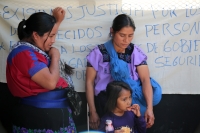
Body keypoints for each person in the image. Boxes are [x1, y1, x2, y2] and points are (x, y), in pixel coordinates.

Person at [6, 7, 77, 132]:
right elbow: (50, 83)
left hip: (53, 115)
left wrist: (57, 21)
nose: (53, 41)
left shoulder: (35, 48)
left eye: (54, 35)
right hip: (40, 118)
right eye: (51, 36)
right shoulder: (23, 54)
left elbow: (46, 34)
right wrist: (55, 56)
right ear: (35, 35)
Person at [86, 14, 162, 129]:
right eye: (122, 35)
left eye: (130, 36)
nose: (126, 40)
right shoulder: (98, 53)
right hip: (106, 103)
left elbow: (146, 80)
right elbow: (89, 83)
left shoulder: (134, 52)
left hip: (129, 104)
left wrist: (149, 109)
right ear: (112, 31)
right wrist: (93, 111)